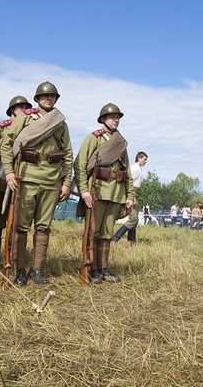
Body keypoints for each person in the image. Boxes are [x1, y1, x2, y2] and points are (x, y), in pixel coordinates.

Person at [0, 82, 73, 285]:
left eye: (52, 96)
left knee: (43, 227)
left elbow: (67, 154)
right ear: (37, 99)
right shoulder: (25, 118)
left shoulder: (60, 123)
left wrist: (66, 182)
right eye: (44, 96)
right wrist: (9, 172)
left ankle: (37, 269)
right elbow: (7, 145)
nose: (48, 98)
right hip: (27, 178)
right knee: (21, 226)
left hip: (51, 180)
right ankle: (20, 270)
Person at [75, 103, 135, 283]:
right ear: (103, 119)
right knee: (93, 231)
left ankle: (103, 269)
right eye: (112, 117)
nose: (116, 120)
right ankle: (91, 268)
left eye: (118, 117)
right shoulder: (94, 138)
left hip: (116, 192)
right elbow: (80, 164)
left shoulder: (120, 142)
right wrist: (83, 190)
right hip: (97, 190)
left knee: (107, 233)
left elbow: (127, 171)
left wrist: (130, 195)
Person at [0, 95, 32, 267]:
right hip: (1, 180)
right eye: (20, 107)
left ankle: (11, 256)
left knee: (16, 222)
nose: (23, 110)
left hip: (22, 180)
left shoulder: (30, 127)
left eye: (26, 107)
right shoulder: (2, 127)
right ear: (12, 110)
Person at [112, 151, 148, 244]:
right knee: (133, 219)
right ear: (139, 158)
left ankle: (132, 242)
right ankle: (115, 238)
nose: (146, 161)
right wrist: (131, 196)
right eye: (144, 159)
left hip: (135, 193)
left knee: (135, 220)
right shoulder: (134, 168)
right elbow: (128, 182)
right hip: (132, 193)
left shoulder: (138, 168)